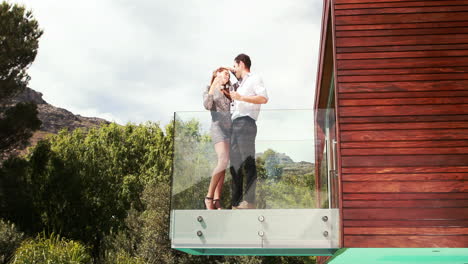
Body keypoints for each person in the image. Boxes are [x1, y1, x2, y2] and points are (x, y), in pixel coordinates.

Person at [229, 54, 268, 209]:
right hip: (235, 124)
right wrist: (227, 69)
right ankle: (236, 202)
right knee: (234, 165)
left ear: (242, 64)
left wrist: (242, 97)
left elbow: (264, 98)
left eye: (235, 66)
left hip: (246, 123)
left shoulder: (254, 78)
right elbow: (232, 71)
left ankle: (249, 201)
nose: (234, 69)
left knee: (247, 162)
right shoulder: (240, 82)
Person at [203, 67, 232, 210]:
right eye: (224, 72)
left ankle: (217, 200)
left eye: (228, 73)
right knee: (223, 160)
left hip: (229, 130)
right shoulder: (209, 89)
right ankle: (208, 197)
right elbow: (207, 105)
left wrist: (231, 69)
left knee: (224, 165)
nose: (228, 74)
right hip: (217, 129)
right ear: (217, 75)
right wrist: (213, 86)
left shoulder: (228, 90)